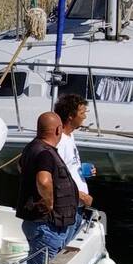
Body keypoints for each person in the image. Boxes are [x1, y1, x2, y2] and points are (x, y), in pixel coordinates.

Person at [15, 112, 79, 264]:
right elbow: (43, 180)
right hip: (46, 226)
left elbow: (20, 166)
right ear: (58, 130)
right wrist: (49, 202)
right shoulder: (45, 153)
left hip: (39, 225)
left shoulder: (32, 148)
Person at [53, 93, 95, 241]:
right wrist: (81, 195)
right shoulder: (60, 142)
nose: (84, 117)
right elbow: (55, 178)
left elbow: (68, 167)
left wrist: (82, 169)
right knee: (60, 249)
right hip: (68, 208)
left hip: (76, 207)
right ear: (71, 115)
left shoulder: (70, 136)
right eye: (82, 113)